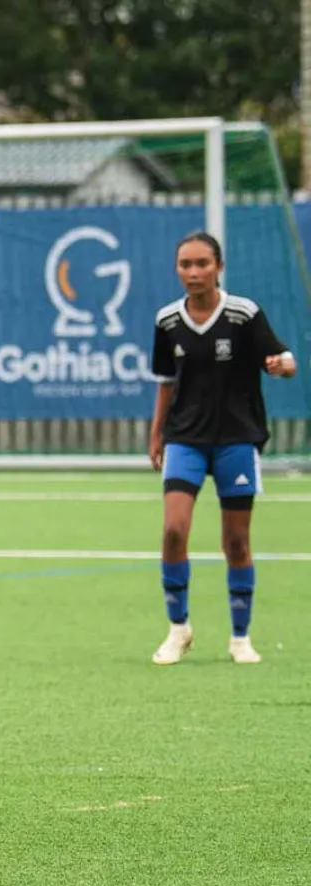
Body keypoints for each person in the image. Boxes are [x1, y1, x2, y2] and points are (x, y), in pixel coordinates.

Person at [148, 231, 297, 666]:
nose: (193, 273)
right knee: (174, 530)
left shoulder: (243, 314)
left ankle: (240, 637)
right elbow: (165, 382)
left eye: (202, 264)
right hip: (185, 439)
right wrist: (156, 433)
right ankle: (178, 628)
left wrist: (282, 366)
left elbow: (282, 359)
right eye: (185, 265)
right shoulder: (167, 321)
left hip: (236, 438)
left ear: (218, 267)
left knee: (236, 541)